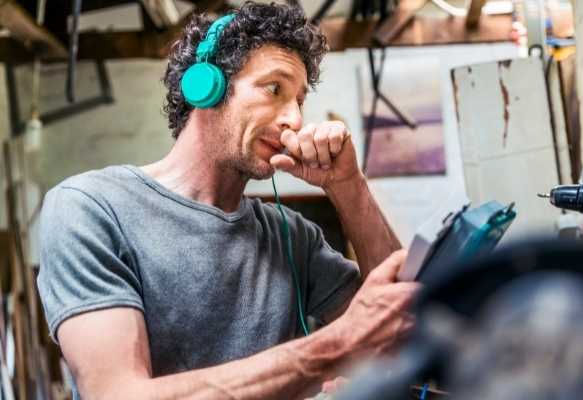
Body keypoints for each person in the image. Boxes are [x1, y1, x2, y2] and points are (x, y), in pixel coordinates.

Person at [37, 2, 420, 399]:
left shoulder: (291, 238)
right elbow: (117, 394)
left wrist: (349, 186)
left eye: (299, 101)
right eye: (275, 89)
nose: (295, 119)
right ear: (206, 87)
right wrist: (334, 346)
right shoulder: (91, 208)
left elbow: (404, 334)